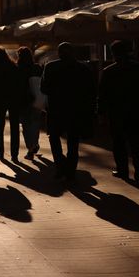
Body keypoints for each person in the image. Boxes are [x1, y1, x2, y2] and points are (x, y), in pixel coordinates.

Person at [40, 42, 96, 180]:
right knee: (73, 141)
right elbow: (91, 91)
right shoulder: (83, 68)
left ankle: (60, 166)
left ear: (59, 53)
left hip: (56, 110)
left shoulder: (50, 67)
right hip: (75, 110)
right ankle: (71, 170)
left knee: (54, 138)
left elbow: (44, 88)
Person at [98, 40, 139, 182]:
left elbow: (103, 94)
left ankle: (122, 170)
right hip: (134, 111)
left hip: (116, 113)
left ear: (113, 53)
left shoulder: (109, 71)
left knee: (118, 142)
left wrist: (101, 113)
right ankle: (138, 167)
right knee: (136, 141)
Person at [0, 48, 23, 161]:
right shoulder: (13, 66)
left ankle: (0, 150)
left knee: (0, 126)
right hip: (14, 99)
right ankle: (14, 154)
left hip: (0, 99)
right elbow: (19, 83)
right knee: (14, 127)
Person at [16, 47, 43, 160]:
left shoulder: (18, 69)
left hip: (23, 101)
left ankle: (31, 148)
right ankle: (35, 143)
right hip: (37, 99)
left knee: (26, 126)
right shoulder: (37, 67)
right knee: (35, 124)